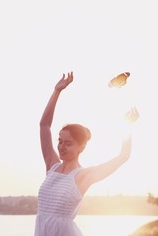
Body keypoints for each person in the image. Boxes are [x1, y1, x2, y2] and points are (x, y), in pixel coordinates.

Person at [34, 72, 139, 236]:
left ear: (81, 147)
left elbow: (123, 156)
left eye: (68, 143)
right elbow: (44, 126)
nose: (61, 146)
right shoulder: (51, 166)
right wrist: (57, 91)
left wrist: (128, 126)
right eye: (60, 141)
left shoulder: (83, 176)